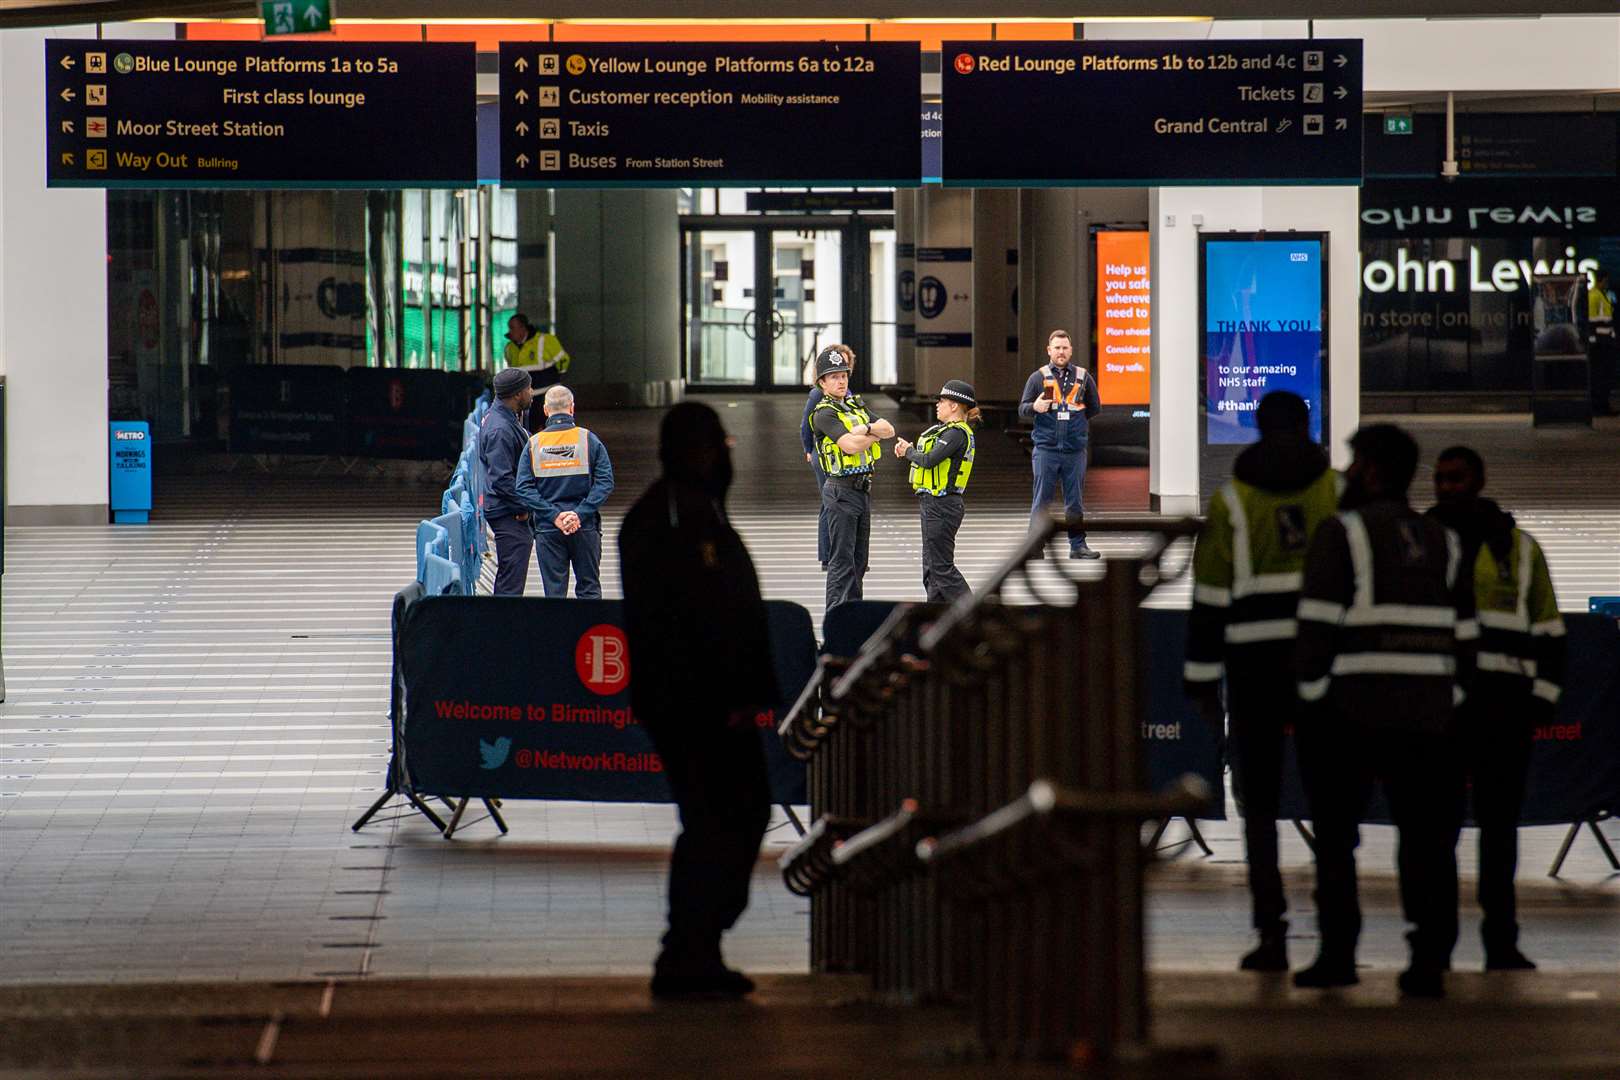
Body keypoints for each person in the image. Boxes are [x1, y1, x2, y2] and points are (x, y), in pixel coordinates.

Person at [1292, 424, 1478, 999]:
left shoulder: (1342, 532)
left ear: (1372, 470)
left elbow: (1316, 629)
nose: (1345, 473)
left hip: (1352, 711)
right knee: (1426, 840)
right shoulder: (1443, 539)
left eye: (1352, 463)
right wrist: (1456, 702)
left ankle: (1338, 954)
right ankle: (1429, 959)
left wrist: (1311, 696)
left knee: (1337, 839)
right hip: (1430, 716)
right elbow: (1467, 634)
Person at [618, 402, 778, 999]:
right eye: (718, 446)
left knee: (729, 818)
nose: (727, 456)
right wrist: (725, 693)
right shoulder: (668, 519)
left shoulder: (696, 508)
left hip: (710, 701)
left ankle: (696, 946)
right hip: (693, 705)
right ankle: (688, 950)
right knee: (719, 820)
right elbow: (685, 621)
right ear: (694, 451)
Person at [1183, 390, 1340, 973]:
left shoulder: (1233, 501)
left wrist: (1200, 680)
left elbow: (1210, 597)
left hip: (1253, 667)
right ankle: (1335, 939)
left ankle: (1271, 934)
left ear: (1256, 427)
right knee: (1329, 800)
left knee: (1260, 803)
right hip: (1323, 661)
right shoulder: (1337, 491)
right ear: (1305, 425)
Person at [1426, 445, 1566, 971]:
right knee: (1439, 831)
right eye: (1439, 478)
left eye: (1456, 477)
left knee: (1497, 830)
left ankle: (1500, 942)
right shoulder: (1422, 543)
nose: (1446, 487)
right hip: (1441, 706)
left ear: (1479, 480)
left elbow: (1550, 630)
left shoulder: (1520, 550)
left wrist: (1543, 701)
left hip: (1504, 709)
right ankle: (1438, 944)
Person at [809, 347, 894, 610]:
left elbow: (889, 429)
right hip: (841, 490)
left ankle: (852, 616)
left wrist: (866, 428)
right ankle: (836, 618)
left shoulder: (856, 405)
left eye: (843, 375)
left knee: (859, 562)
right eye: (833, 376)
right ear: (822, 382)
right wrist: (871, 435)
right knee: (841, 562)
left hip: (861, 490)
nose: (841, 380)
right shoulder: (824, 412)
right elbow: (850, 446)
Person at [515, 385, 614, 599]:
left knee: (555, 595)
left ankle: (559, 633)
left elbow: (523, 487)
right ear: (572, 408)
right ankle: (587, 631)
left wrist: (554, 516)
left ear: (545, 410)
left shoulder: (534, 444)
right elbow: (605, 482)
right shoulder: (588, 439)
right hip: (585, 527)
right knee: (589, 590)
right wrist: (580, 514)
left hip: (548, 530)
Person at [1018, 329, 1102, 559]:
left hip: (1074, 451)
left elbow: (1094, 408)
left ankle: (1078, 547)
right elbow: (1022, 409)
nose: (1061, 352)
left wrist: (1076, 429)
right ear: (1049, 350)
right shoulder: (1037, 377)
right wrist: (1034, 407)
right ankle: (1034, 546)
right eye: (1057, 347)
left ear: (1071, 350)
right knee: (1042, 500)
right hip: (1046, 449)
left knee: (1074, 502)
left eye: (1065, 347)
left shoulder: (1084, 377)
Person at [894, 380, 979, 604]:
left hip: (942, 505)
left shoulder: (956, 434)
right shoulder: (946, 432)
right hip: (933, 503)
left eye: (942, 401)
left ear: (954, 406)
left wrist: (907, 451)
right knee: (931, 569)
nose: (937, 405)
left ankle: (974, 613)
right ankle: (937, 617)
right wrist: (911, 451)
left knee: (941, 568)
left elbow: (930, 460)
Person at [476, 367, 535, 596]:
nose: (532, 392)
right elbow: (501, 479)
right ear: (518, 394)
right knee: (511, 582)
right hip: (507, 513)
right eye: (529, 388)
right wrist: (525, 506)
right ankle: (503, 626)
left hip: (506, 508)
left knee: (510, 576)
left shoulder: (501, 417)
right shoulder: (501, 429)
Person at [802, 344, 856, 570]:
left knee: (839, 503)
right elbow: (807, 423)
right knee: (829, 503)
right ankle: (827, 555)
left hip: (842, 454)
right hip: (823, 454)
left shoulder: (849, 395)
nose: (841, 377)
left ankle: (840, 554)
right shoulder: (818, 394)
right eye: (835, 373)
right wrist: (808, 449)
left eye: (845, 369)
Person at [503, 313, 571, 389]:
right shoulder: (509, 348)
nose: (510, 331)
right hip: (527, 398)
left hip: (547, 394)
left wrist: (556, 379)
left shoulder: (546, 340)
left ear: (523, 327)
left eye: (512, 328)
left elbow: (563, 360)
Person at [1582, 268, 1615, 416]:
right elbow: (1591, 321)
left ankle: (1603, 405)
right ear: (1602, 280)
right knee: (1600, 376)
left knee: (1605, 376)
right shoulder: (1594, 296)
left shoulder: (1601, 295)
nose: (1607, 283)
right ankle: (1599, 406)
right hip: (1600, 343)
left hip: (1605, 340)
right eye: (1606, 280)